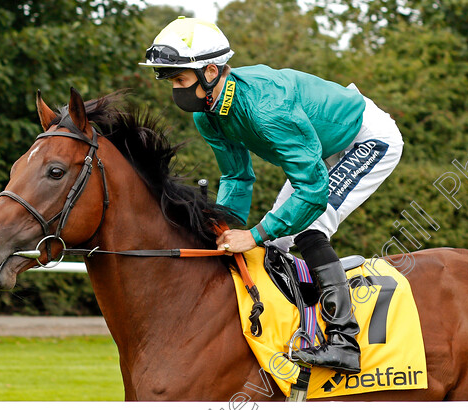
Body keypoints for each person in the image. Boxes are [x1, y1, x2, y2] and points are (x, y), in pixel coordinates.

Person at [140, 16, 403, 375]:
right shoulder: (208, 114)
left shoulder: (266, 108)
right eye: (171, 81)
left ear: (211, 72)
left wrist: (253, 234)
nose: (175, 89)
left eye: (180, 79)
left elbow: (313, 191)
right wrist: (225, 229)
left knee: (309, 227)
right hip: (321, 144)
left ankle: (344, 342)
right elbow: (236, 175)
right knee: (274, 247)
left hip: (367, 138)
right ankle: (295, 330)